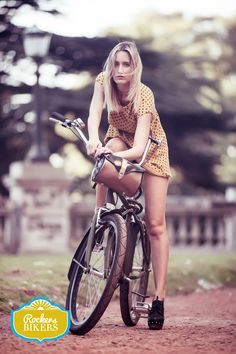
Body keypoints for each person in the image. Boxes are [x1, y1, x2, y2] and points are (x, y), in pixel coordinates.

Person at [86, 41, 171, 330]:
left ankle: (159, 297)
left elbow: (138, 150)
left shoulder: (144, 95)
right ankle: (100, 219)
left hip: (150, 150)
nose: (120, 70)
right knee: (107, 146)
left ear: (135, 67)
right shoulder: (103, 81)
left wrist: (110, 154)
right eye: (116, 64)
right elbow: (95, 113)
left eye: (127, 64)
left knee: (155, 223)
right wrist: (93, 141)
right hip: (119, 138)